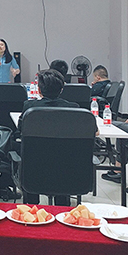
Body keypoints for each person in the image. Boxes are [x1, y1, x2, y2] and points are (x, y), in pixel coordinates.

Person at [19, 69, 82, 206]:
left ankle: (32, 210)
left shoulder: (30, 107)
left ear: (39, 90)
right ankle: (62, 209)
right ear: (61, 89)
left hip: (34, 168)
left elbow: (20, 130)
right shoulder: (74, 109)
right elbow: (92, 131)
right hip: (66, 169)